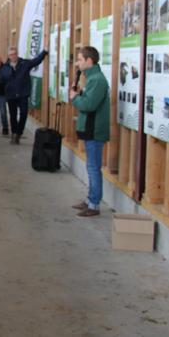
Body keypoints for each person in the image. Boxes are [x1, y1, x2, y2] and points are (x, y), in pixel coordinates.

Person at [70, 46, 110, 217]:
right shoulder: (91, 78)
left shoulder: (97, 80)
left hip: (94, 130)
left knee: (94, 167)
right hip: (89, 129)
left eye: (79, 59)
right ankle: (90, 199)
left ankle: (94, 204)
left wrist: (75, 98)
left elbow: (89, 105)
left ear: (89, 61)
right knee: (91, 166)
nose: (77, 63)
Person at [1, 46, 48, 144]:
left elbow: (36, 61)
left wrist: (44, 52)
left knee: (24, 113)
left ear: (17, 54)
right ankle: (14, 134)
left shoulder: (24, 63)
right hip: (11, 95)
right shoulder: (5, 67)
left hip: (23, 94)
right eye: (11, 55)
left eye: (14, 54)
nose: (13, 56)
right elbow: (2, 80)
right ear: (8, 56)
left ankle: (19, 132)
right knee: (13, 115)